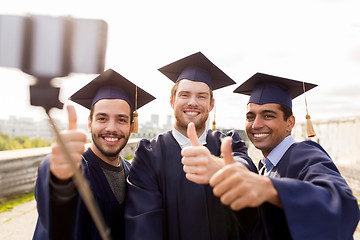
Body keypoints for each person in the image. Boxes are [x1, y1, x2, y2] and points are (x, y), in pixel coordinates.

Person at [209, 72, 360, 239]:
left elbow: (340, 202)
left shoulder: (305, 154)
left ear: (290, 123)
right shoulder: (265, 166)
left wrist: (269, 188)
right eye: (250, 116)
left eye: (268, 116)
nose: (256, 124)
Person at [125, 52, 258, 240]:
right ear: (172, 101)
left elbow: (246, 169)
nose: (193, 102)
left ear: (211, 105)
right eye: (185, 95)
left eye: (202, 97)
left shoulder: (228, 144)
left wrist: (222, 166)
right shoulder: (149, 154)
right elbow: (143, 223)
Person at [32, 68, 155, 240]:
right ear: (90, 124)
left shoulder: (132, 173)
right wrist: (58, 178)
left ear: (131, 126)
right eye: (102, 118)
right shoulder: (78, 167)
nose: (111, 128)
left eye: (121, 119)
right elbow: (56, 204)